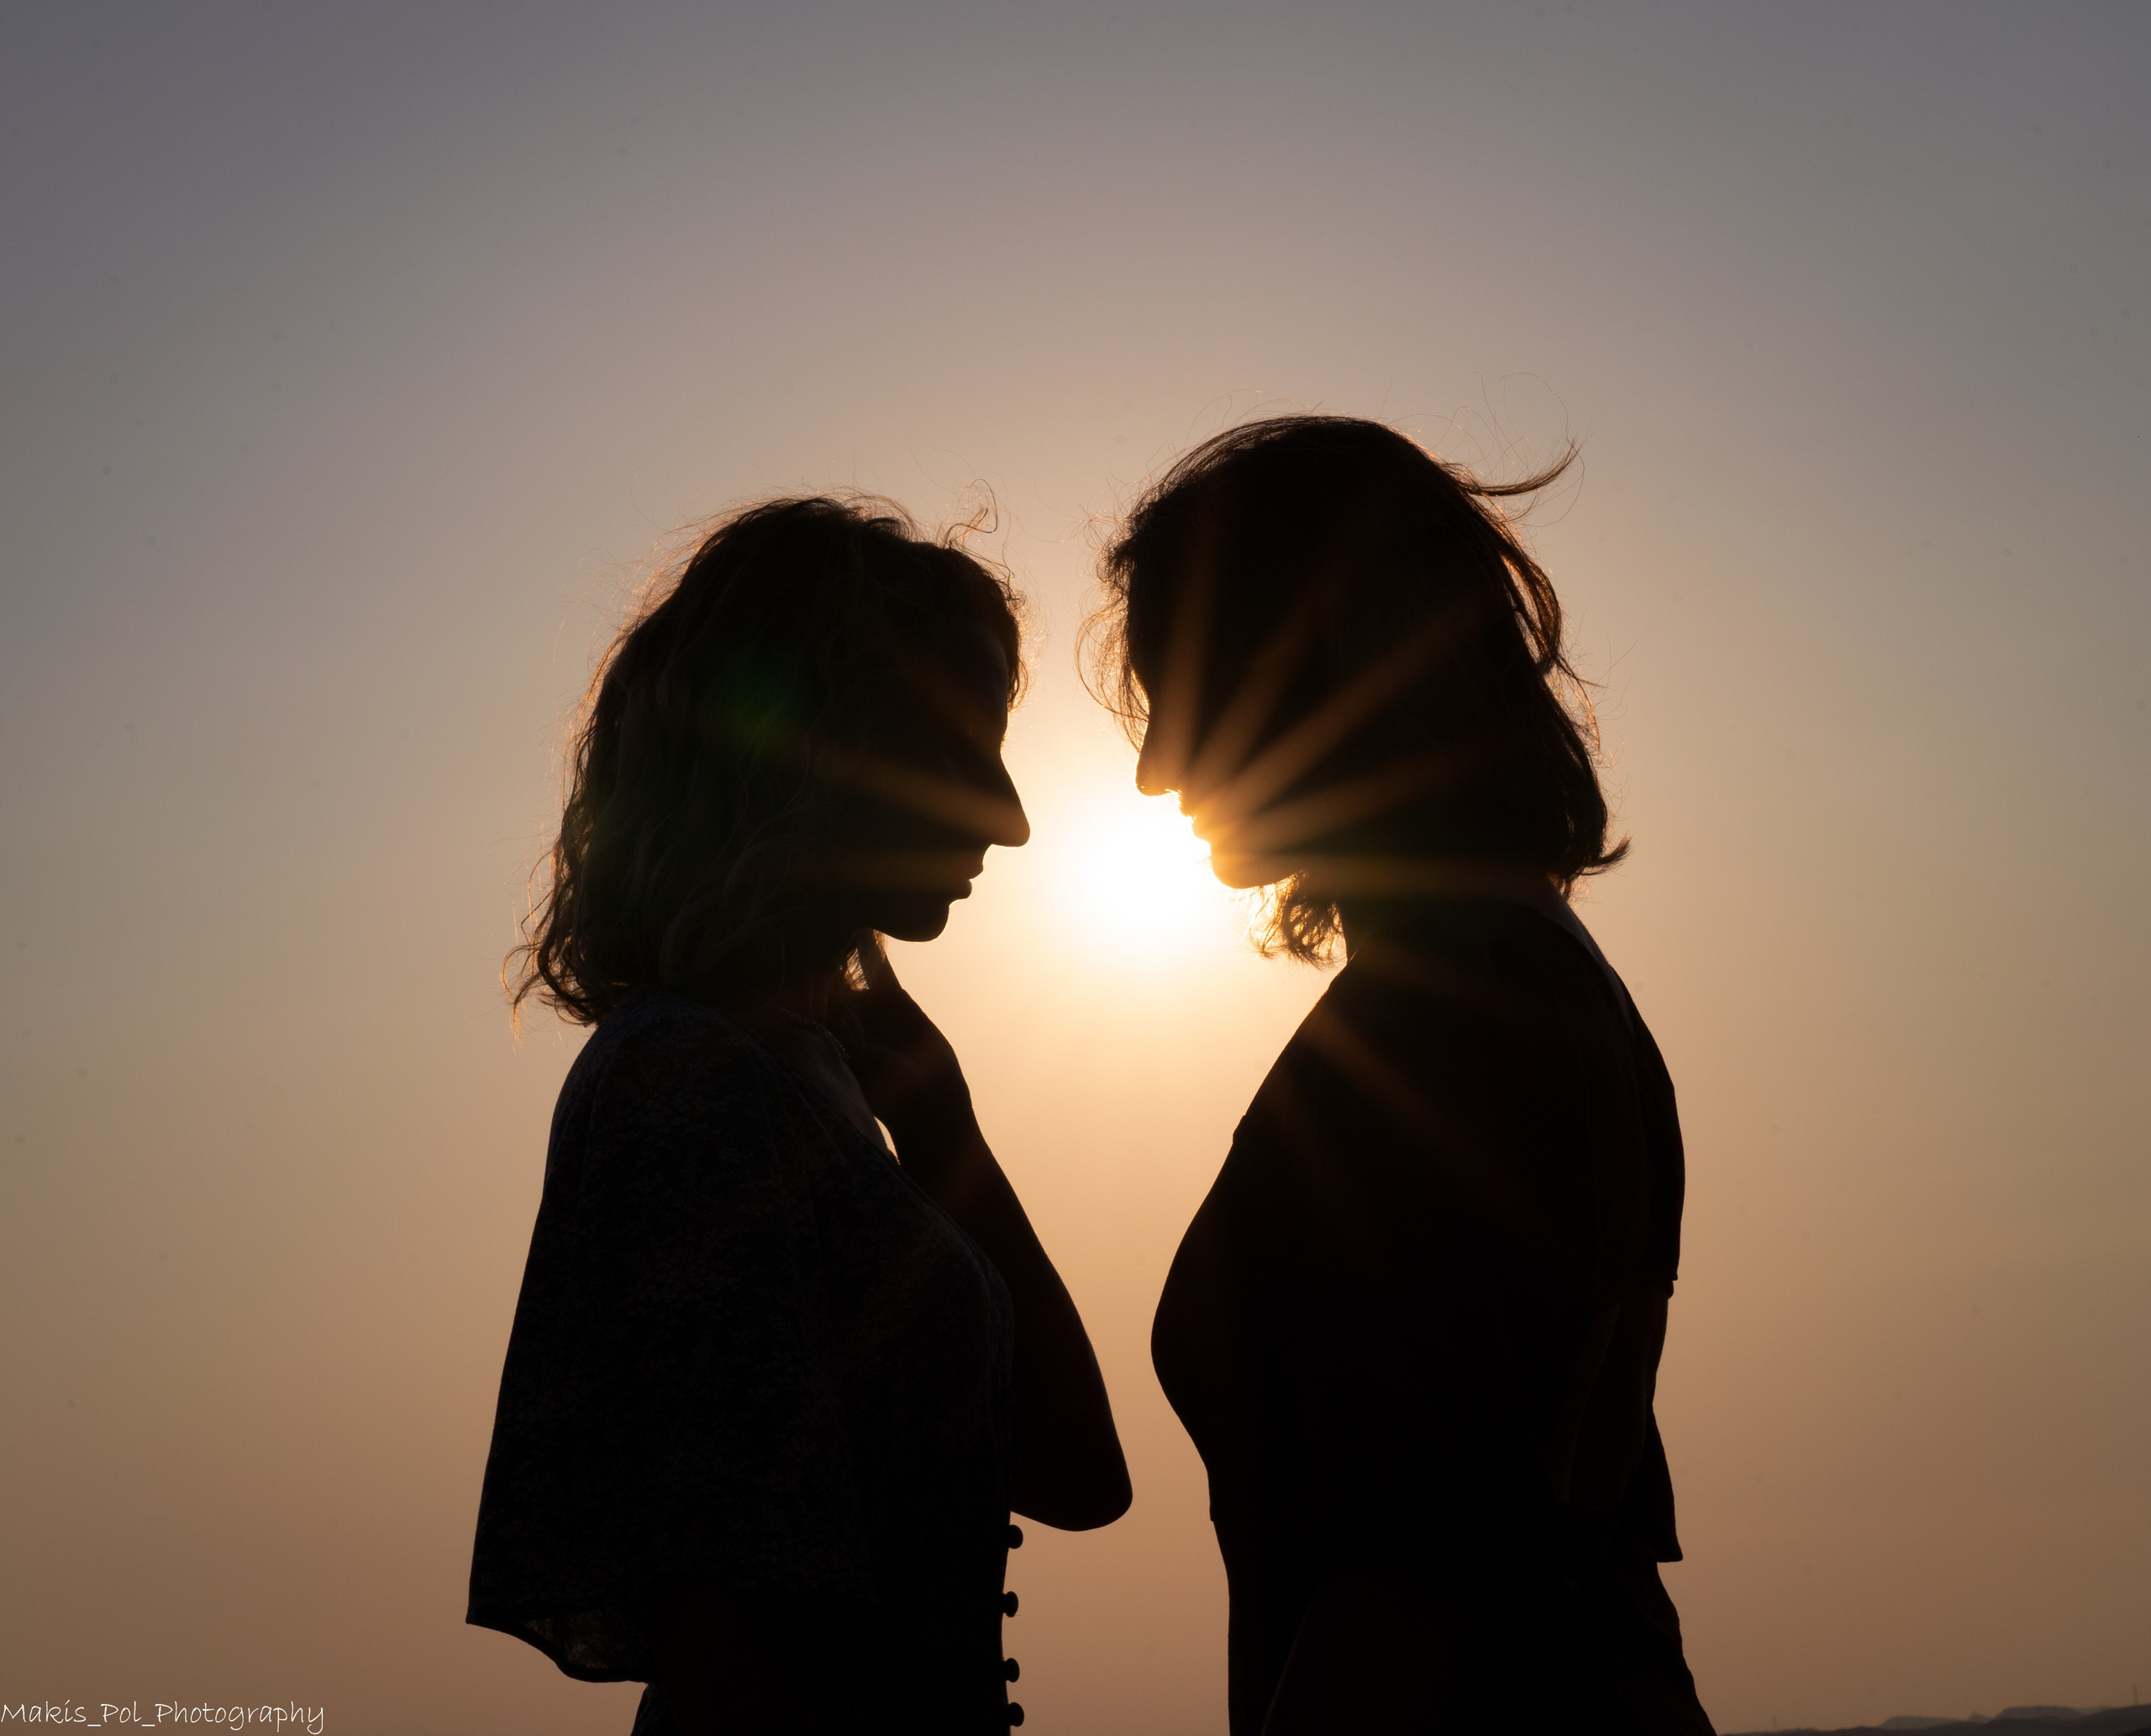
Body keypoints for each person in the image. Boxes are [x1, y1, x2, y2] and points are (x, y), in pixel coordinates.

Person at [470, 495, 1131, 1736]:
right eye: (954, 752)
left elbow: (1082, 1474)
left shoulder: (818, 1085)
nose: (1011, 814)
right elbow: (737, 1620)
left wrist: (948, 1135)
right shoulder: (690, 1086)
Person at [1092, 416, 1715, 1733]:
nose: (1152, 771)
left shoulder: (1471, 1008)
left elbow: (1423, 1570)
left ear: (1320, 666)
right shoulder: (1496, 979)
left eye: (1180, 690)